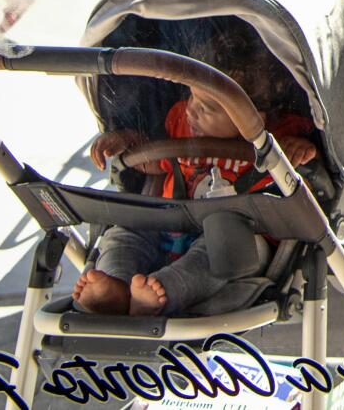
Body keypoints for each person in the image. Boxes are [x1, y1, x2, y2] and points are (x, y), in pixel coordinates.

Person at [74, 27, 317, 316]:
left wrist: (300, 149)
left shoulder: (279, 136)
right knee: (124, 234)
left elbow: (307, 163)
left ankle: (163, 294)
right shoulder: (180, 121)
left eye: (207, 107)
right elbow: (154, 160)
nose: (192, 110)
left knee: (221, 254)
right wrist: (127, 140)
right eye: (191, 97)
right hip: (170, 222)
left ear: (256, 116)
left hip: (237, 240)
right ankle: (115, 284)